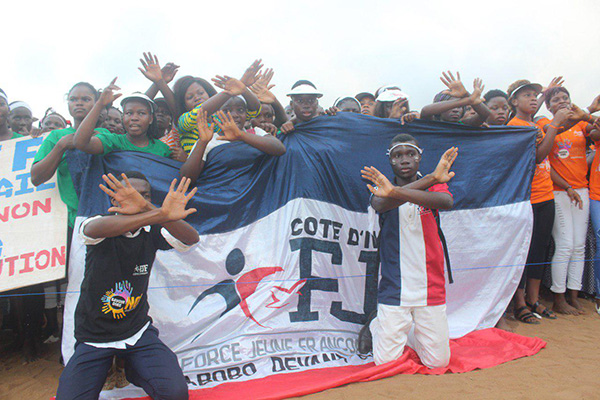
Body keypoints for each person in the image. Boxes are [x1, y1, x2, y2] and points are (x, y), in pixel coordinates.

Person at [56, 172, 198, 400]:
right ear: (114, 199)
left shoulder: (151, 229)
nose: (138, 199)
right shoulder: (99, 223)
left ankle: (131, 366)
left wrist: (151, 210)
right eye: (131, 194)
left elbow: (191, 238)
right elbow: (92, 230)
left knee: (175, 393)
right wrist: (159, 213)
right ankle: (107, 367)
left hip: (136, 332)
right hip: (94, 337)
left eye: (145, 196)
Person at [358, 134, 458, 368]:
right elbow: (381, 204)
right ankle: (375, 325)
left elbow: (446, 202)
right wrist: (429, 178)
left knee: (438, 362)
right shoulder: (382, 186)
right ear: (390, 160)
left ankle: (414, 334)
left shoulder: (433, 184)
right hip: (395, 284)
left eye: (410, 154)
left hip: (430, 283)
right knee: (385, 362)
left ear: (419, 157)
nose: (404, 160)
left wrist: (403, 189)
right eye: (397, 155)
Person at [537, 86, 600, 315]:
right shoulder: (545, 124)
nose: (562, 101)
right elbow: (547, 164)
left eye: (566, 98)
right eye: (556, 99)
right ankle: (558, 297)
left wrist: (588, 114)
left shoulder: (581, 124)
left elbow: (595, 129)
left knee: (579, 246)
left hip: (582, 190)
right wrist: (567, 186)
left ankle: (573, 295)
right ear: (548, 106)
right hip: (558, 191)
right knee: (565, 245)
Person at [506, 79, 565, 323]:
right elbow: (539, 157)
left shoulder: (532, 123)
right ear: (513, 101)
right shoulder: (515, 126)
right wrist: (554, 125)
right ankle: (519, 303)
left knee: (540, 249)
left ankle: (533, 299)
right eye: (527, 95)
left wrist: (545, 95)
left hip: (546, 195)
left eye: (535, 95)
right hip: (527, 198)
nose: (533, 99)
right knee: (524, 251)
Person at [31, 82, 109, 228]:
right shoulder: (56, 136)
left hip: (104, 216)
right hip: (70, 221)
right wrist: (61, 147)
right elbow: (36, 178)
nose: (79, 103)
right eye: (73, 99)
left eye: (85, 99)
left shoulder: (104, 135)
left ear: (96, 103)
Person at [179, 96, 286, 183]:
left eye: (240, 110)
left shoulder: (256, 133)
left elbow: (279, 149)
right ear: (216, 115)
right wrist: (202, 142)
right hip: (220, 197)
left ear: (246, 115)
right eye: (226, 111)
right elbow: (187, 178)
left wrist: (240, 135)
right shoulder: (209, 140)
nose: (234, 115)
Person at [175, 60, 263, 154]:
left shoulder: (220, 117)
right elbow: (200, 112)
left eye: (200, 93)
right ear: (184, 105)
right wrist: (229, 92)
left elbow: (255, 111)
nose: (197, 98)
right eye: (190, 97)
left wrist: (243, 89)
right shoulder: (183, 121)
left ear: (209, 94)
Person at [73, 79, 171, 158]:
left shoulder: (163, 149)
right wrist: (100, 104)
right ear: (123, 117)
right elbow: (80, 143)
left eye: (141, 113)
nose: (134, 118)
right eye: (129, 113)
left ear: (151, 119)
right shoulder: (112, 141)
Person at [420, 71, 490, 126]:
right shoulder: (431, 124)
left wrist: (466, 94)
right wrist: (467, 100)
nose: (456, 110)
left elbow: (485, 114)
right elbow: (425, 111)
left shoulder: (465, 124)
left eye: (459, 107)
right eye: (451, 106)